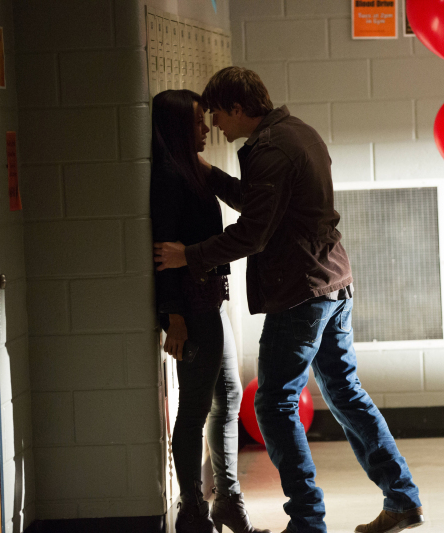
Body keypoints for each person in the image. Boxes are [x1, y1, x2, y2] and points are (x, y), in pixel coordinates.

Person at [153, 68, 425, 533]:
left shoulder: (271, 148)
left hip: (301, 291)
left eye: (216, 113)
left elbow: (254, 232)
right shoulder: (295, 132)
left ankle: (306, 520)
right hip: (331, 283)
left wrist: (188, 255)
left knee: (274, 402)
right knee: (345, 393)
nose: (214, 124)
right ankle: (401, 499)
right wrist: (213, 176)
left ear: (238, 109)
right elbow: (264, 206)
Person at [150, 89, 270, 533]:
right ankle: (193, 512)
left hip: (210, 301)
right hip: (192, 311)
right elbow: (162, 253)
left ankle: (227, 502)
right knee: (196, 408)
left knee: (229, 397)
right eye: (199, 121)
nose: (208, 127)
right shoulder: (167, 178)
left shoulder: (189, 171)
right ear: (180, 126)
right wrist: (174, 317)